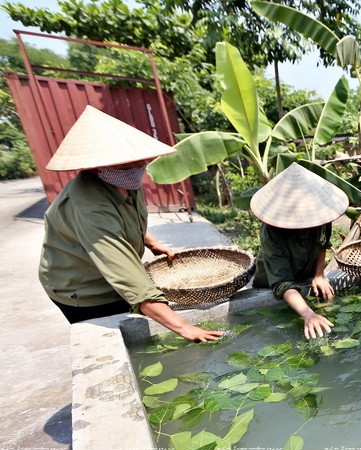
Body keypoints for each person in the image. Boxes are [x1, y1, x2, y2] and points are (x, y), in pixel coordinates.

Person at [38, 105, 223, 342]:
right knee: (127, 341)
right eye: (124, 163)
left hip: (109, 273)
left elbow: (130, 217)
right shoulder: (90, 207)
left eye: (138, 160)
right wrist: (185, 328)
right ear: (96, 166)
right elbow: (132, 282)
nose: (136, 168)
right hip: (81, 287)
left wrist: (151, 242)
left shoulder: (126, 181)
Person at [250, 163, 348, 340]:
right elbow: (282, 283)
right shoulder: (272, 231)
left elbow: (322, 244)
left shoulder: (322, 214)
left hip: (305, 274)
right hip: (274, 280)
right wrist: (308, 315)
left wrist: (319, 275)